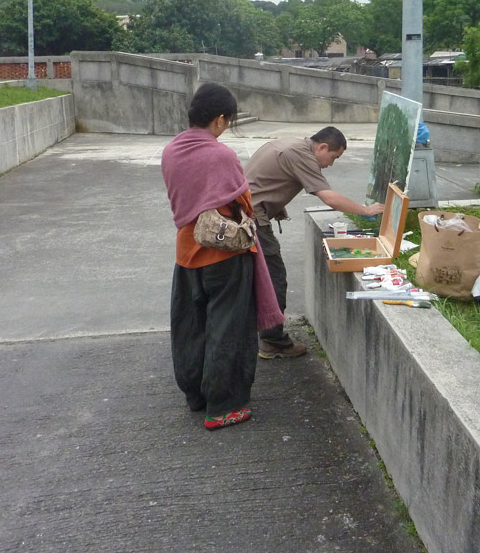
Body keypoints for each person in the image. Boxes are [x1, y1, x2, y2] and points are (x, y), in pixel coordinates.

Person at [160, 83, 284, 431]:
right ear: (218, 119)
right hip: (224, 254)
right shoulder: (221, 155)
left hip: (186, 250)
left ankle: (195, 395)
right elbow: (241, 200)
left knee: (192, 325)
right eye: (226, 121)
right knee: (228, 327)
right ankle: (224, 405)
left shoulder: (171, 150)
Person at [245, 126, 384, 358]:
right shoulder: (302, 155)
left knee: (255, 278)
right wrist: (365, 210)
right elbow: (328, 197)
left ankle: (256, 334)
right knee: (274, 279)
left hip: (245, 213)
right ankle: (273, 342)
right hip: (251, 221)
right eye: (333, 157)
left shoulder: (293, 142)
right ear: (322, 147)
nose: (331, 164)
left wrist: (274, 202)